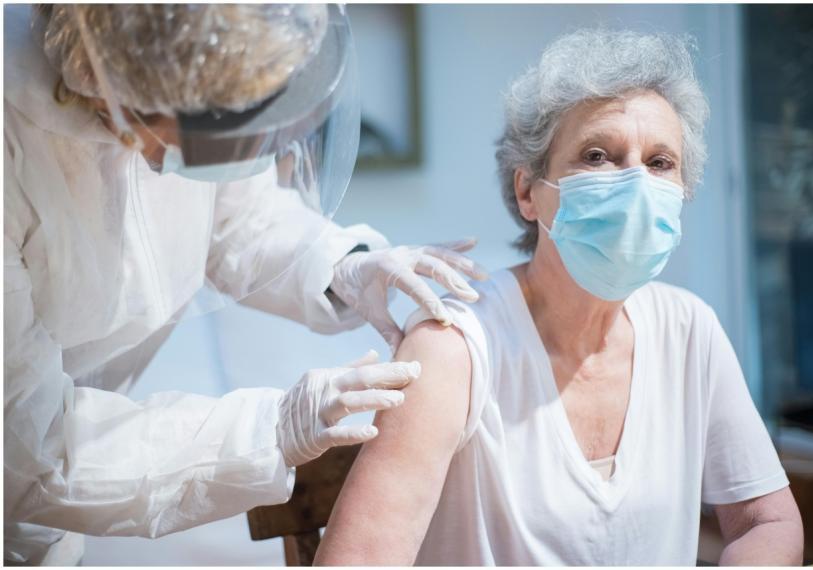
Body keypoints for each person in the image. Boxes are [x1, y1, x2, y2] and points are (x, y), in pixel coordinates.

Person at [4, 4, 488, 566]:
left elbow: (236, 220)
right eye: (218, 132)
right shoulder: (15, 146)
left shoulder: (182, 96)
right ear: (122, 87)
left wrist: (343, 268)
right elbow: (28, 449)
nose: (230, 154)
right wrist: (270, 430)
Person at [315, 29, 804, 566]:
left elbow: (768, 520)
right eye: (598, 155)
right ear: (529, 192)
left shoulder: (689, 329)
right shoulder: (453, 348)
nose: (636, 184)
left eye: (661, 163)